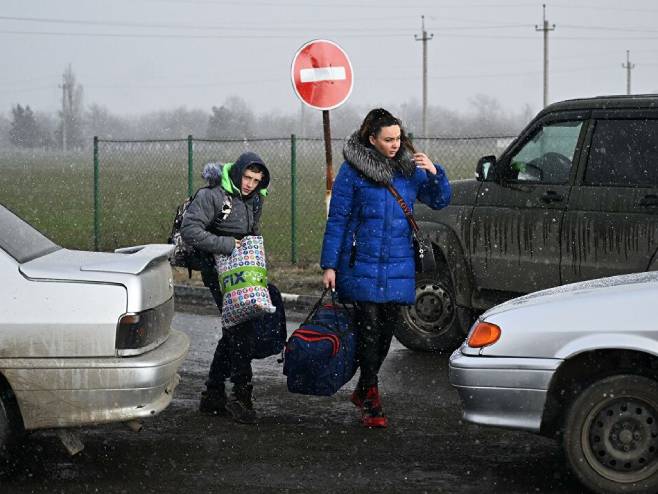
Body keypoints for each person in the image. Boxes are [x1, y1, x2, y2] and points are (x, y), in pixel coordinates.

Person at [320, 108, 451, 428]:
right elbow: (337, 220)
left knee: (385, 334)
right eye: (388, 139)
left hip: (398, 264)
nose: (395, 145)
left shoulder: (409, 170)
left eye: (398, 138)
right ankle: (372, 398)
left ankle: (364, 388)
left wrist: (436, 172)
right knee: (368, 330)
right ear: (372, 139)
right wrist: (329, 265)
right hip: (360, 262)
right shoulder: (353, 173)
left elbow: (440, 200)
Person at [180, 151, 270, 424]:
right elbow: (190, 230)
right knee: (239, 328)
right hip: (215, 270)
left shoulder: (255, 199)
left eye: (256, 180)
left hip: (241, 271)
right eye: (247, 177)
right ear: (237, 172)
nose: (250, 184)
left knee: (234, 328)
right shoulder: (213, 195)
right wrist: (228, 245)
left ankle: (214, 392)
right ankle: (240, 396)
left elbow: (251, 231)